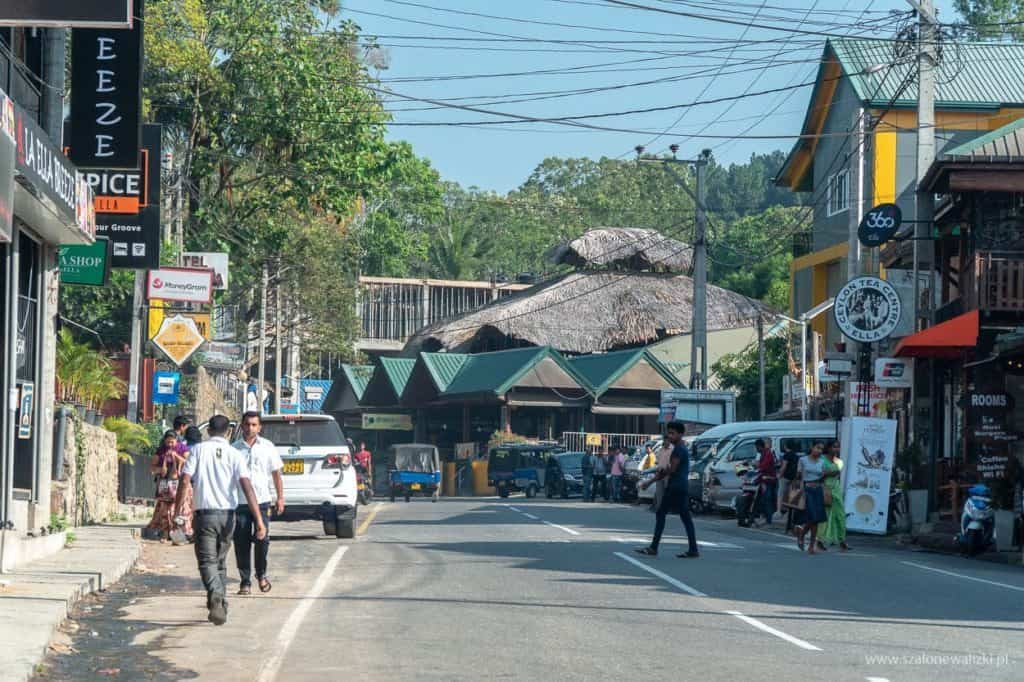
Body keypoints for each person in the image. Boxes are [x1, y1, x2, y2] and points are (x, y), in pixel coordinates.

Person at [175, 415, 265, 626]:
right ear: (227, 432)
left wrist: (178, 510)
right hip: (228, 516)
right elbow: (247, 487)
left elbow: (185, 480)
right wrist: (259, 519)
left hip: (204, 515)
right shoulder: (235, 454)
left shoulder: (198, 450)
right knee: (220, 561)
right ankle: (220, 604)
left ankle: (216, 593)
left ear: (208, 432)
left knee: (207, 561)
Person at [232, 411, 285, 595]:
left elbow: (276, 474)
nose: (250, 428)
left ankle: (261, 575)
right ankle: (245, 581)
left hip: (262, 501)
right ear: (242, 425)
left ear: (259, 427)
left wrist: (280, 497)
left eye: (254, 425)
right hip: (240, 503)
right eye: (247, 424)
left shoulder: (268, 447)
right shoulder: (234, 448)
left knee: (263, 540)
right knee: (241, 542)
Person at [636, 421, 699, 558]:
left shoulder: (678, 450)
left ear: (680, 434)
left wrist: (650, 481)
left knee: (661, 514)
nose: (670, 436)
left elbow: (671, 470)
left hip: (675, 486)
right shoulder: (680, 448)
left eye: (672, 433)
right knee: (685, 518)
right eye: (668, 433)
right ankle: (693, 549)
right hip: (681, 486)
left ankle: (654, 547)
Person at [147, 431, 189, 541]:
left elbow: (188, 462)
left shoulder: (182, 448)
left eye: (172, 442)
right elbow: (152, 467)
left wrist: (176, 457)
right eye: (168, 442)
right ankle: (165, 532)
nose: (170, 445)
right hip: (165, 482)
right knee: (165, 508)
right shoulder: (161, 450)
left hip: (179, 482)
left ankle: (179, 532)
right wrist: (161, 469)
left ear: (177, 440)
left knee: (179, 508)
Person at [794, 440, 828, 554]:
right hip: (807, 490)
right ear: (812, 447)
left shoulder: (822, 462)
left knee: (817, 519)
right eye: (817, 448)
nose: (819, 451)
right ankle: (802, 535)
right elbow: (798, 475)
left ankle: (810, 545)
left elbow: (823, 478)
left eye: (821, 449)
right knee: (812, 517)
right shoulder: (803, 460)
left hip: (818, 490)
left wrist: (825, 476)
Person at [817, 440, 849, 551]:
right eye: (834, 447)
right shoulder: (821, 459)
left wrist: (829, 473)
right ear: (829, 448)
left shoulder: (839, 461)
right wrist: (829, 473)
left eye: (838, 447)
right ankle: (820, 540)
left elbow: (837, 474)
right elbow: (819, 475)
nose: (837, 449)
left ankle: (842, 540)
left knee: (840, 515)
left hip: (836, 490)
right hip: (825, 489)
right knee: (824, 516)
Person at [777, 439, 801, 533]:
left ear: (786, 446)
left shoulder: (786, 455)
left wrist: (780, 475)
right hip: (793, 478)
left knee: (781, 493)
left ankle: (779, 510)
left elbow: (784, 466)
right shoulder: (796, 455)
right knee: (791, 495)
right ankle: (788, 511)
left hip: (786, 477)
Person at [755, 438, 778, 526]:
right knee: (764, 499)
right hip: (764, 478)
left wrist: (757, 466)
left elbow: (764, 466)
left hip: (768, 479)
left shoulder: (768, 454)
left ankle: (769, 519)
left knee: (767, 499)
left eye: (756, 447)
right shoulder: (763, 453)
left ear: (759, 446)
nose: (756, 449)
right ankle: (765, 517)